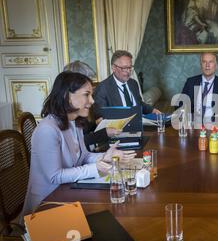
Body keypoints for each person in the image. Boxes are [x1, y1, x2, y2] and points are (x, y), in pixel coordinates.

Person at [21, 72, 136, 217]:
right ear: (66, 96)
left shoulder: (74, 122)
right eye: (86, 94)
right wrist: (96, 168)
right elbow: (55, 176)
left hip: (69, 192)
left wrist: (105, 156)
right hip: (46, 205)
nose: (92, 100)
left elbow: (84, 156)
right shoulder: (47, 130)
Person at [63, 61, 121, 151]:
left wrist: (97, 123)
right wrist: (104, 133)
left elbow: (85, 131)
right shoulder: (59, 120)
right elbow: (75, 143)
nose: (92, 101)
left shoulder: (78, 107)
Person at [93, 50, 160, 121]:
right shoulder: (102, 88)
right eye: (124, 68)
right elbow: (101, 116)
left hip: (140, 124)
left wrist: (152, 110)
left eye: (130, 67)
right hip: (118, 129)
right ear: (113, 68)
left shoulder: (133, 83)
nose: (128, 71)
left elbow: (139, 103)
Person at [179, 52, 218, 124]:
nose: (207, 65)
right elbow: (180, 104)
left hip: (214, 125)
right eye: (204, 62)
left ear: (216, 65)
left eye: (210, 62)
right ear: (201, 65)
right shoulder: (190, 82)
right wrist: (188, 116)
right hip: (193, 124)